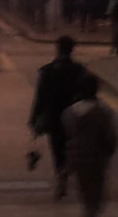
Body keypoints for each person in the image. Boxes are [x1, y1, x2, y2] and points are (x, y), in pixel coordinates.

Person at [63, 72, 118, 217]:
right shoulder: (102, 113)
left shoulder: (69, 112)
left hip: (76, 161)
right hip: (96, 162)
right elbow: (110, 139)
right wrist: (107, 152)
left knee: (87, 201)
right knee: (96, 205)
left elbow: (67, 134)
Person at [30, 36, 86, 199]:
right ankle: (67, 173)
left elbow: (40, 97)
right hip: (75, 116)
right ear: (72, 49)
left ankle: (61, 175)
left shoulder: (47, 71)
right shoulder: (79, 70)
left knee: (57, 149)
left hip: (53, 117)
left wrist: (35, 118)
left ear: (57, 48)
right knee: (74, 148)